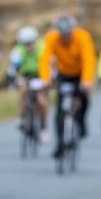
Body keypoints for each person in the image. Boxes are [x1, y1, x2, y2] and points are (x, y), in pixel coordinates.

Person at [39, 14, 95, 158]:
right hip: (63, 74)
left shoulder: (82, 37)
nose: (64, 37)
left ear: (72, 30)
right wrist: (45, 80)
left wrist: (86, 80)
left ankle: (81, 122)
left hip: (79, 73)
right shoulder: (51, 38)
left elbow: (88, 59)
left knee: (84, 98)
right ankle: (60, 145)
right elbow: (45, 58)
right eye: (62, 34)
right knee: (60, 110)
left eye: (67, 33)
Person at [8, 25, 48, 144]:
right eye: (25, 43)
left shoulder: (42, 48)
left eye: (30, 43)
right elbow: (13, 67)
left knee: (41, 101)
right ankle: (21, 117)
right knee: (23, 90)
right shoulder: (18, 50)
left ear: (35, 40)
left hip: (41, 75)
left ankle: (43, 128)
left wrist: (47, 80)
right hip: (27, 76)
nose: (28, 46)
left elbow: (50, 64)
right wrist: (12, 78)